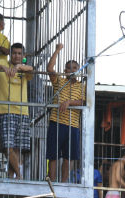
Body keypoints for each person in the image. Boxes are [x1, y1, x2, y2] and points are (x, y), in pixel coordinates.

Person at [46, 43, 86, 183]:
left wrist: (69, 102)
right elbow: (50, 69)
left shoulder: (82, 86)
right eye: (68, 68)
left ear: (79, 70)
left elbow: (83, 102)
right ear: (64, 70)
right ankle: (51, 182)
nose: (71, 70)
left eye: (75, 68)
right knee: (53, 156)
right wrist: (57, 50)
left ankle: (63, 183)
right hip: (56, 122)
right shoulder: (60, 81)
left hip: (72, 125)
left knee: (69, 157)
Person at [0, 42, 34, 179]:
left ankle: (12, 176)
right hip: (5, 110)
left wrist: (19, 66)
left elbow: (31, 70)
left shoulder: (24, 69)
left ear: (23, 56)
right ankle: (19, 174)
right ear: (10, 54)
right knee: (8, 147)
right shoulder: (2, 62)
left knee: (17, 148)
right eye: (14, 53)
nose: (17, 56)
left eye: (19, 54)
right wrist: (2, 68)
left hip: (23, 111)